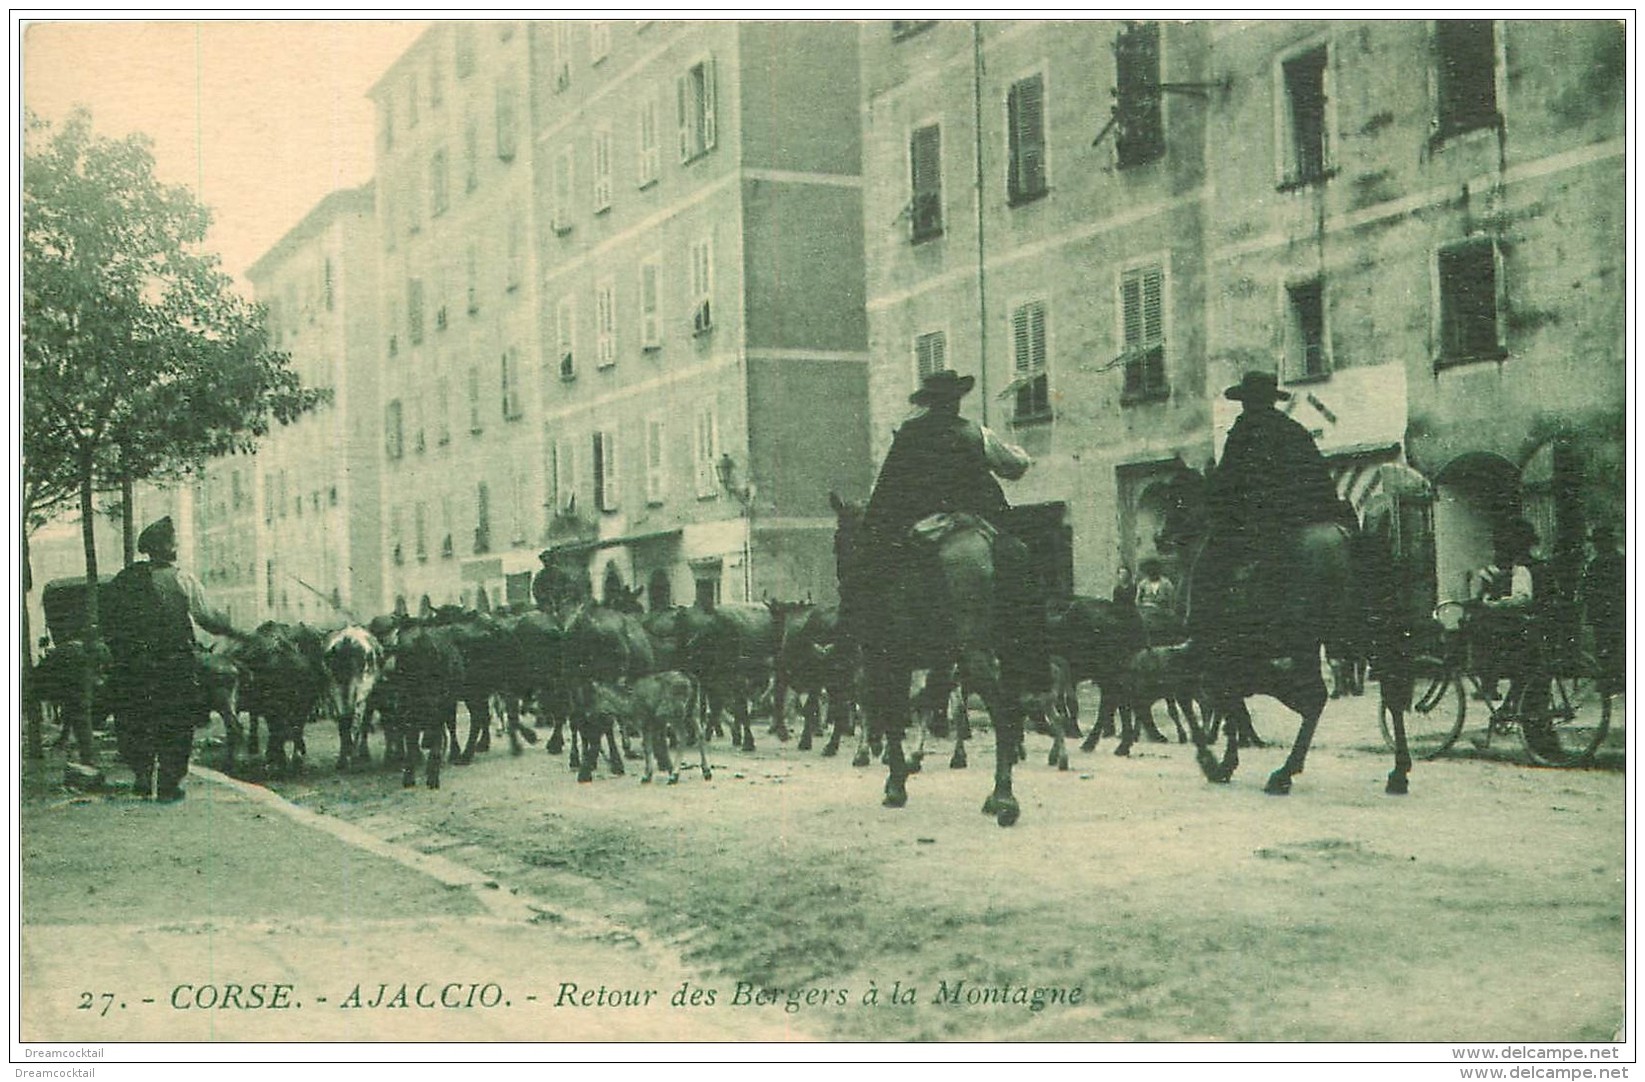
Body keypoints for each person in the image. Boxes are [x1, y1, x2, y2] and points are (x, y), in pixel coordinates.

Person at [854, 368, 1044, 689]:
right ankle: (1023, 639)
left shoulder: (908, 434)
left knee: (877, 577)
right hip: (970, 524)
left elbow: (887, 487)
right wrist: (1022, 454)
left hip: (921, 529)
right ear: (955, 401)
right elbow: (1013, 467)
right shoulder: (975, 433)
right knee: (1018, 557)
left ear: (929, 402)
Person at [1192, 370, 1345, 649]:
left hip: (1264, 522)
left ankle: (1203, 634)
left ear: (1247, 401)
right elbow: (1320, 477)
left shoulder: (1243, 430)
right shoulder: (1295, 429)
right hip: (1314, 516)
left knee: (1208, 564)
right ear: (1272, 399)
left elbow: (1227, 480)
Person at [102, 516, 243, 802]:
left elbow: (109, 621)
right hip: (172, 663)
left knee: (133, 718)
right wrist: (235, 631)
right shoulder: (182, 579)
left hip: (132, 665)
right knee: (176, 722)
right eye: (172, 542)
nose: (176, 546)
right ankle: (168, 785)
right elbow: (207, 618)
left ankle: (142, 776)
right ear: (166, 548)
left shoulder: (124, 579)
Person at [1472, 517, 1545, 730]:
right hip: (1540, 626)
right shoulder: (1538, 565)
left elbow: (1522, 599)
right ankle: (1508, 705)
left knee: (1487, 643)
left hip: (1525, 628)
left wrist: (1494, 606)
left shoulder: (1522, 568)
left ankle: (1489, 685)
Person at [1580, 524, 1624, 696]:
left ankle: (1607, 681)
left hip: (1603, 613)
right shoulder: (1622, 560)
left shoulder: (1597, 563)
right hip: (1619, 611)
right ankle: (1618, 680)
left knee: (1605, 647)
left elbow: (1587, 588)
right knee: (1618, 645)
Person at [1135, 558, 1179, 645]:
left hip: (1163, 615)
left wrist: (1169, 612)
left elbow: (1172, 600)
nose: (1151, 573)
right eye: (1149, 571)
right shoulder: (1143, 584)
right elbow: (1137, 601)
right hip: (1147, 616)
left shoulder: (1166, 583)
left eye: (1153, 570)